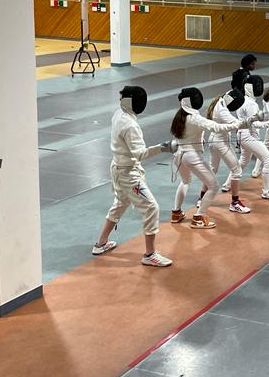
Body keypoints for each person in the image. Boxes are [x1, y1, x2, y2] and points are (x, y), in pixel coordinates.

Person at [92, 86, 176, 267]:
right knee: (151, 207)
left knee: (121, 203)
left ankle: (101, 244)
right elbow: (140, 154)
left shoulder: (119, 114)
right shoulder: (130, 125)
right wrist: (163, 147)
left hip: (118, 168)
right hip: (128, 173)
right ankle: (150, 254)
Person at [169, 87, 254, 229]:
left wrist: (200, 137)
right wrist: (239, 124)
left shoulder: (180, 115)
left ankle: (176, 213)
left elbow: (195, 130)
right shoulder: (194, 118)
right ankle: (198, 217)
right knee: (214, 186)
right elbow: (215, 127)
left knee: (185, 182)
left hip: (178, 155)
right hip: (191, 156)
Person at [222, 70, 269, 200]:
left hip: (241, 135)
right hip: (248, 136)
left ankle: (227, 184)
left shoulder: (242, 100)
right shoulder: (251, 104)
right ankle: (267, 191)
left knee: (244, 160)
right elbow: (254, 124)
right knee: (268, 160)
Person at [197, 88, 255, 215]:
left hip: (214, 140)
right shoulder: (222, 110)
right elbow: (237, 124)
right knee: (237, 170)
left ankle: (201, 198)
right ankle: (235, 203)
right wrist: (253, 119)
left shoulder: (219, 102)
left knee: (213, 169)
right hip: (220, 143)